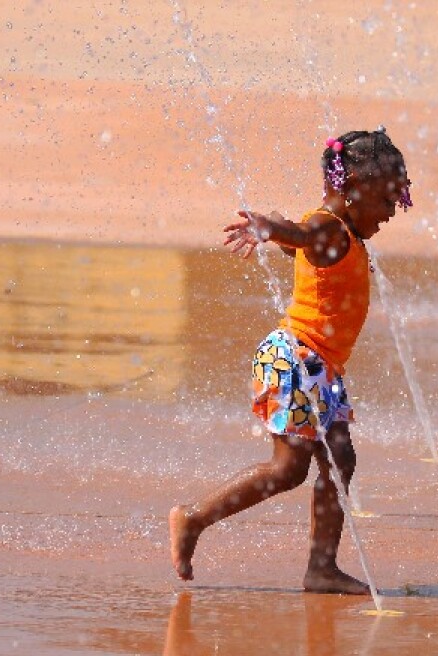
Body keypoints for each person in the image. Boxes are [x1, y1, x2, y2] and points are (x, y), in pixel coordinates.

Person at [168, 128, 413, 594]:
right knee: (289, 469)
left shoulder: (339, 234)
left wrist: (279, 233)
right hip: (297, 360)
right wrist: (270, 229)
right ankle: (193, 519)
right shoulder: (328, 228)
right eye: (386, 200)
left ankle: (321, 568)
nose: (389, 213)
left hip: (321, 368)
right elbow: (298, 235)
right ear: (354, 188)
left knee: (340, 459)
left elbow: (295, 241)